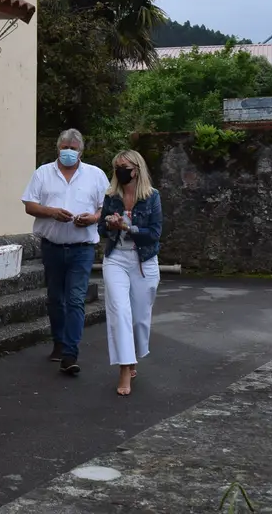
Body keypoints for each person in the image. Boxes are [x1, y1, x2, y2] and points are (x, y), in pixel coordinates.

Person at [21, 129, 109, 375]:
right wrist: (52, 212)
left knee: (75, 299)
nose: (68, 150)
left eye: (73, 147)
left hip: (82, 248)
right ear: (58, 147)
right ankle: (59, 342)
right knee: (55, 299)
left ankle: (70, 353)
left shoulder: (95, 175)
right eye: (65, 146)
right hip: (52, 247)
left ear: (81, 151)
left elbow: (106, 207)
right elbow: (29, 205)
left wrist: (92, 218)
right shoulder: (42, 173)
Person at [98, 150, 163, 396]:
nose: (119, 171)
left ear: (136, 169)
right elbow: (100, 229)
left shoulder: (152, 197)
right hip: (115, 259)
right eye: (116, 167)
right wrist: (109, 224)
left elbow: (154, 233)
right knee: (120, 312)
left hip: (143, 261)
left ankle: (133, 355)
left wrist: (128, 226)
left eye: (123, 166)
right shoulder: (111, 196)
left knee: (138, 319)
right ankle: (124, 368)